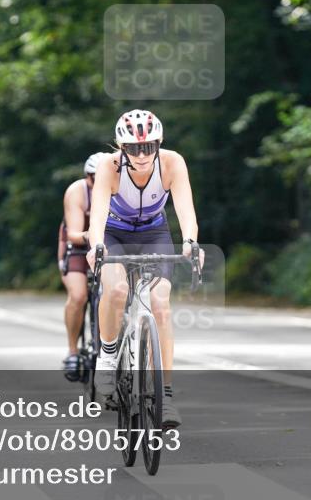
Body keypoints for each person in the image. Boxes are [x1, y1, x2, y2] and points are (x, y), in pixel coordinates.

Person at [86, 110, 203, 429]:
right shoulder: (108, 167)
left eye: (148, 146)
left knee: (161, 305)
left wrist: (191, 241)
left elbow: (185, 208)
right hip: (115, 233)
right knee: (117, 289)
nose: (142, 154)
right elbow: (97, 214)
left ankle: (165, 397)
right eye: (134, 148)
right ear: (121, 148)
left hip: (154, 233)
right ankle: (107, 360)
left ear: (159, 143)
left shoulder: (172, 163)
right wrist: (97, 246)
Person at [59, 152, 107, 381]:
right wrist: (94, 235)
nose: (99, 183)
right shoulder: (77, 192)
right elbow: (74, 234)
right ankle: (72, 351)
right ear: (88, 179)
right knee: (78, 296)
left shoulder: (119, 188)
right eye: (94, 178)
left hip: (110, 246)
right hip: (79, 245)